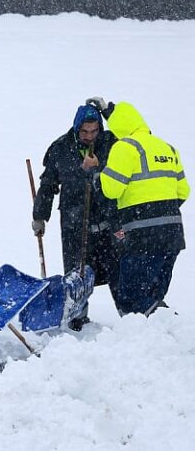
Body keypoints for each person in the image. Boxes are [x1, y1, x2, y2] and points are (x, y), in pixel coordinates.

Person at [93, 98, 189, 315]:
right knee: (153, 294)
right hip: (173, 234)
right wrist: (162, 211)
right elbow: (183, 192)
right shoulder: (167, 148)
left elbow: (112, 190)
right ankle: (164, 337)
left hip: (142, 235)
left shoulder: (125, 147)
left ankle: (165, 329)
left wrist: (97, 174)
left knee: (131, 298)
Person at [31, 104, 120, 329]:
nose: (89, 136)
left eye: (94, 131)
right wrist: (40, 216)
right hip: (74, 221)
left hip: (108, 219)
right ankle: (77, 320)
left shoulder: (112, 144)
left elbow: (135, 142)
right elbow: (48, 185)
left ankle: (130, 319)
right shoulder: (60, 148)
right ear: (75, 128)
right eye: (84, 132)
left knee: (118, 271)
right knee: (77, 273)